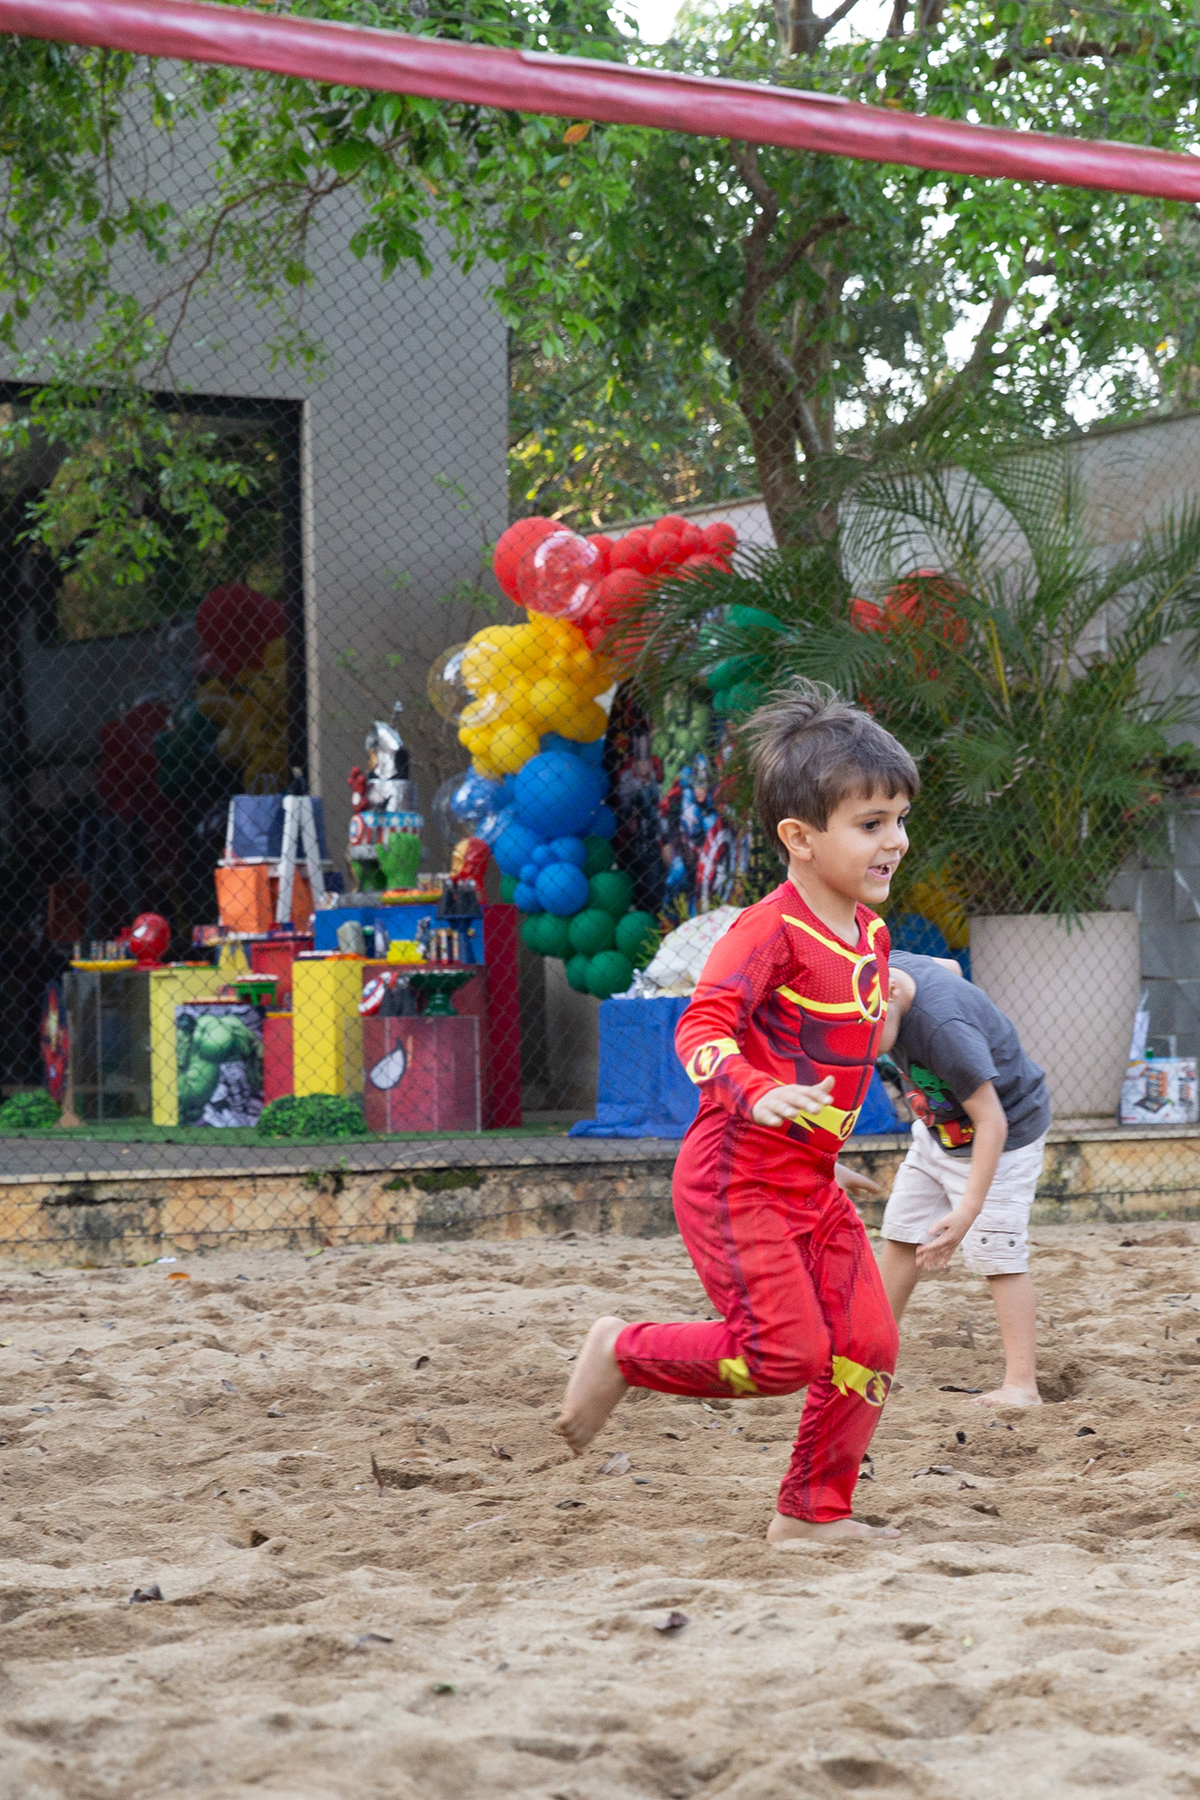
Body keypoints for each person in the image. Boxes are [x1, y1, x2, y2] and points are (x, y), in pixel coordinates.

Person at [557, 681, 918, 1544]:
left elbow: (836, 1050)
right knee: (782, 1357)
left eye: (900, 819)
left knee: (868, 1345)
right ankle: (621, 1347)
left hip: (805, 1182)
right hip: (735, 1178)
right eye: (871, 824)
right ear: (800, 837)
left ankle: (811, 1515)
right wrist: (759, 1094)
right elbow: (701, 1027)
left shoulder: (869, 933)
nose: (895, 841)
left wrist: (831, 1142)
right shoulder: (767, 932)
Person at [876, 952, 1051, 1407]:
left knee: (998, 1252)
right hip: (938, 1134)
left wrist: (968, 1210)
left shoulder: (943, 1030)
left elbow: (993, 1121)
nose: (859, 1046)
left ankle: (1021, 1384)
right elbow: (949, 967)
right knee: (901, 1232)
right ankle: (871, 1354)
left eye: (866, 1031)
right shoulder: (888, 965)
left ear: (891, 991)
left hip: (1004, 1136)